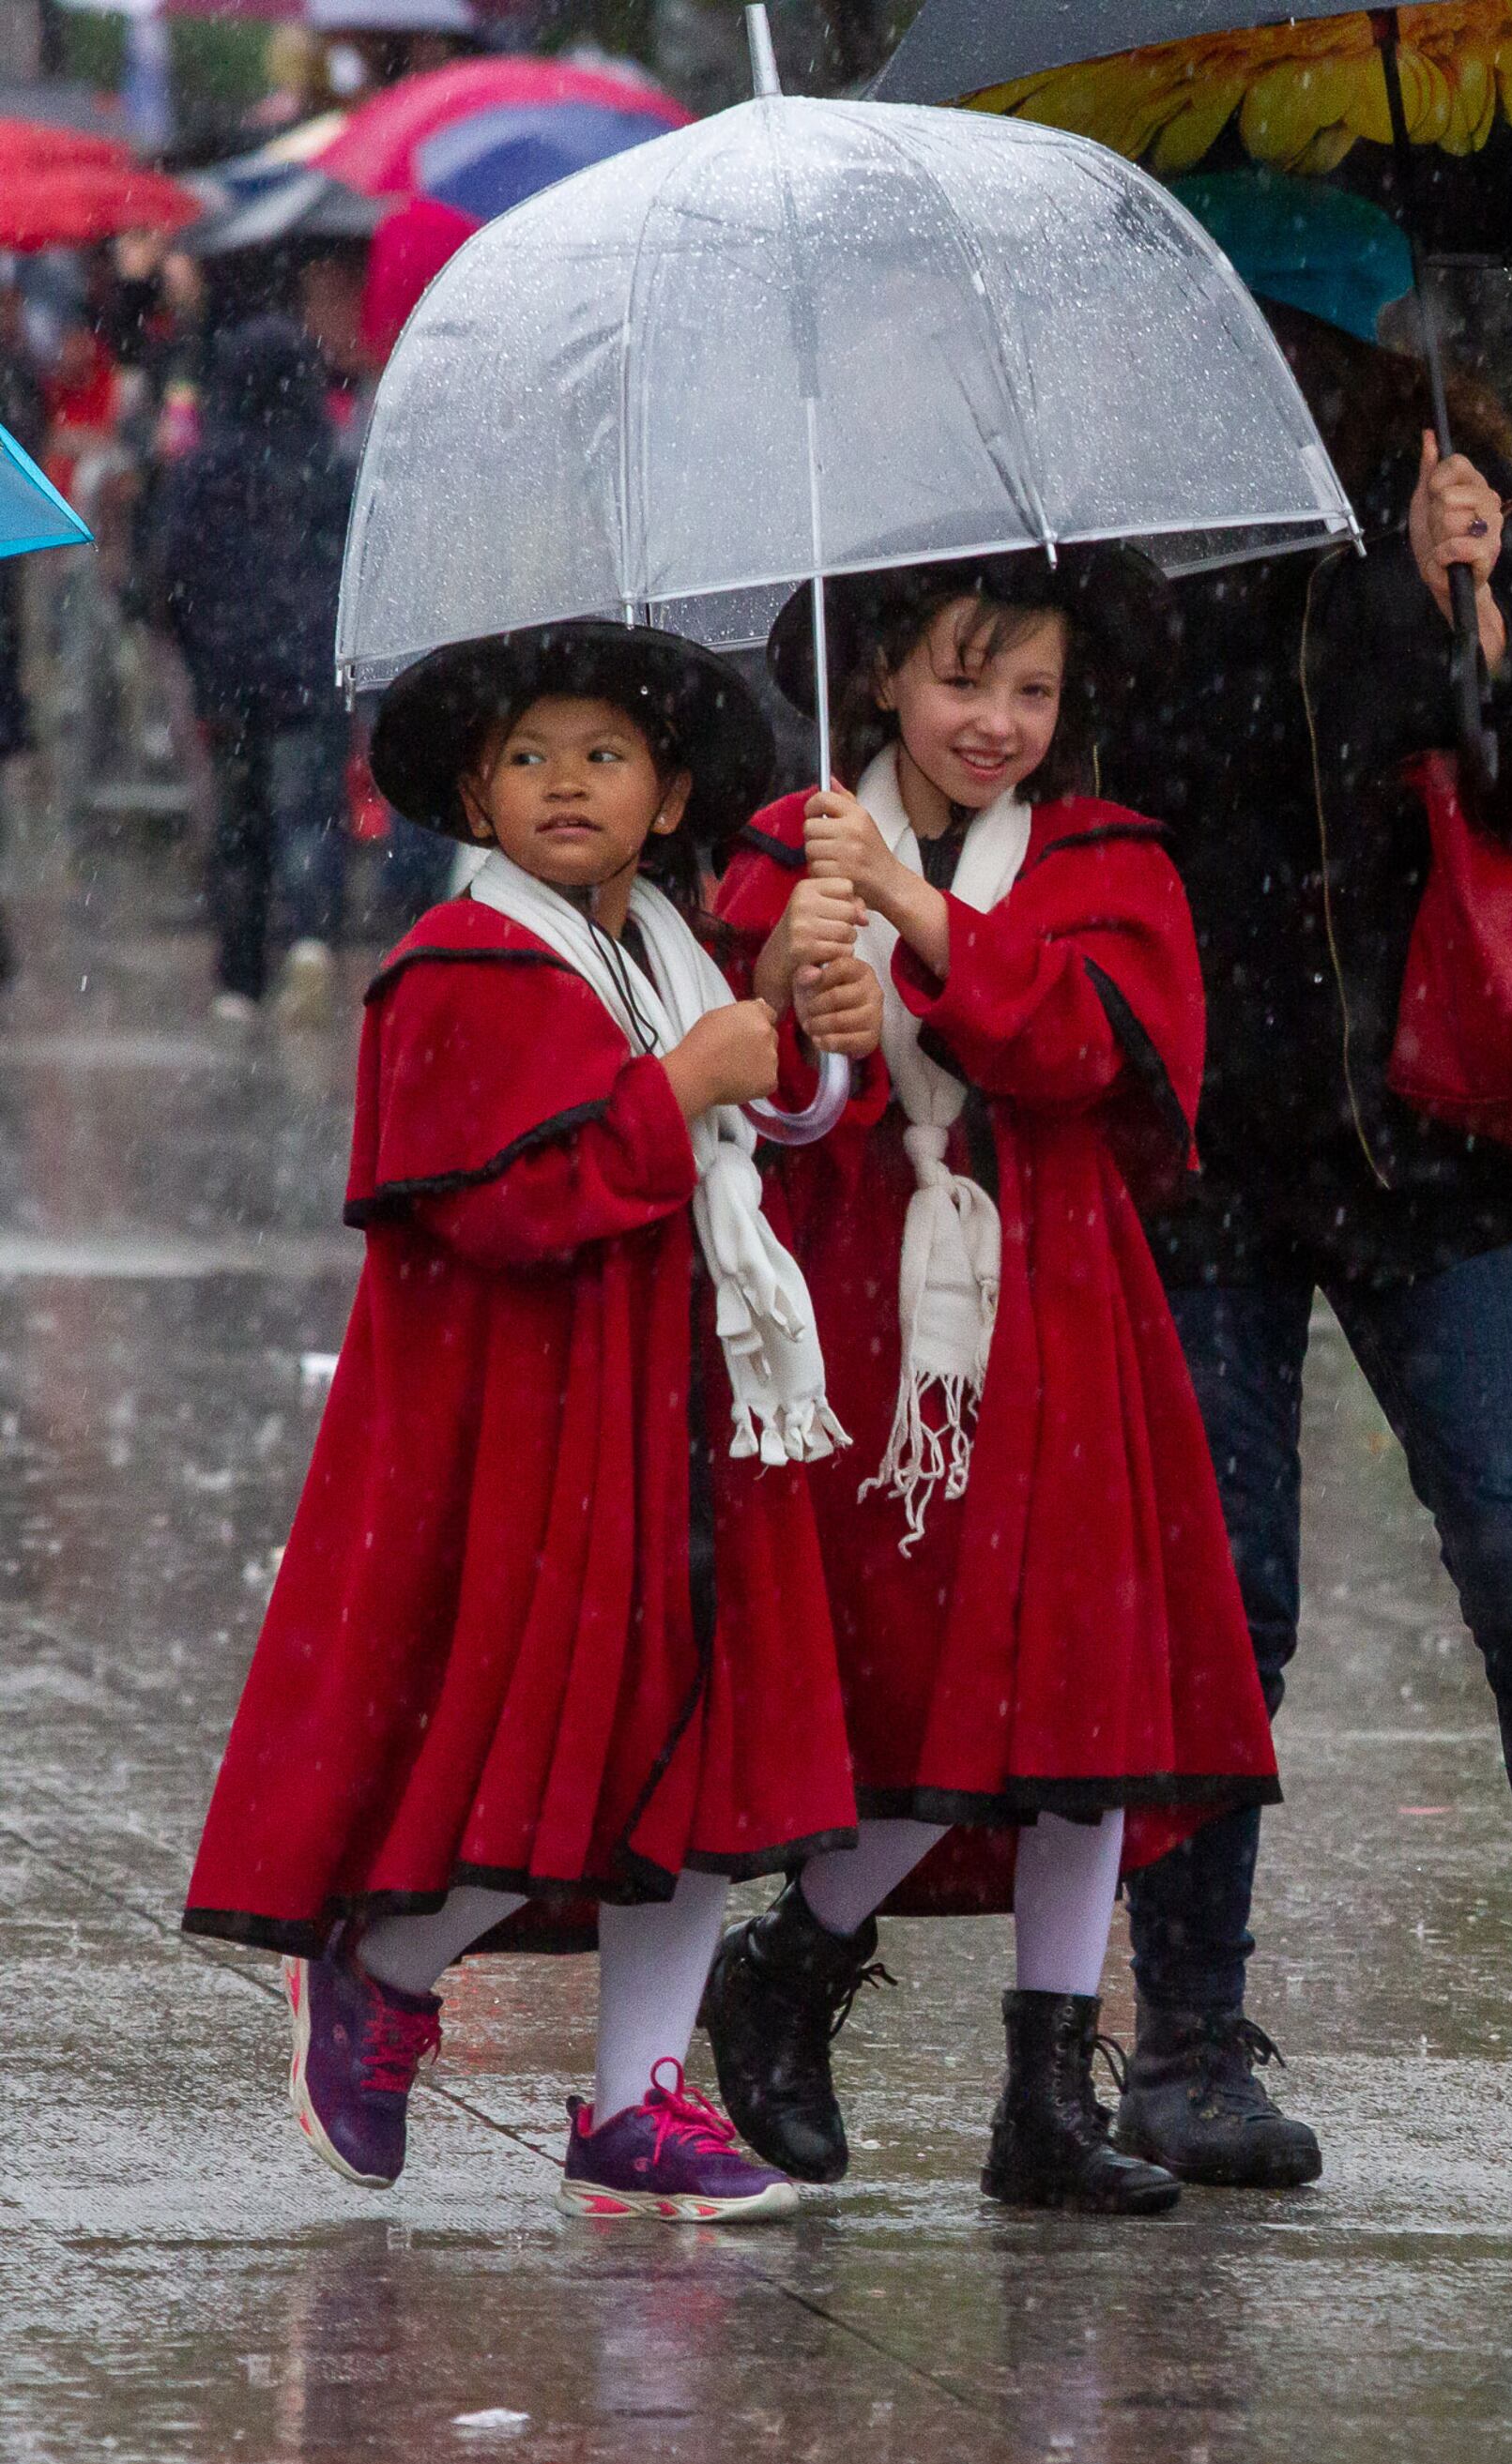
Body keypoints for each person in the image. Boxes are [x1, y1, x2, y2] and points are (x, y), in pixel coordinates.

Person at [1117, 190, 1512, 2198]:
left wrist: (1474, 614)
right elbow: (1128, 764)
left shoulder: (1476, 502)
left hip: (1456, 1143)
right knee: (1229, 1603)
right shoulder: (1123, 526)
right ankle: (1188, 2037)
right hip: (1211, 1143)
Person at [178, 621, 879, 2222]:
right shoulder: (459, 965)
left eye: (607, 755)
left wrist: (800, 1030)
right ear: (477, 804)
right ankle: (386, 1962)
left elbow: (767, 1123)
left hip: (700, 1406)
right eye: (529, 758)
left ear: (672, 789)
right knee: (559, 1737)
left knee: (710, 1750)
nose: (568, 784)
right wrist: (688, 1075)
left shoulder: (681, 954)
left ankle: (636, 2099)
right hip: (554, 1432)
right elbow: (513, 1196)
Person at [699, 551, 1278, 2219]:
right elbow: (756, 1079)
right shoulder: (782, 853)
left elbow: (1086, 1049)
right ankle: (793, 1962)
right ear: (881, 677)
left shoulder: (1106, 859)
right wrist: (799, 991)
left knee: (1079, 1696)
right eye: (965, 682)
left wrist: (907, 900)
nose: (1000, 724)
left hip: (1060, 1305)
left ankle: (1043, 2086)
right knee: (904, 1687)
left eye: (1033, 690)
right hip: (855, 1317)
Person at [152, 314, 352, 1022]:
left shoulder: (206, 467)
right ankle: (309, 936)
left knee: (242, 823)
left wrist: (199, 649)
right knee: (311, 812)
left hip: (233, 675)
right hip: (312, 667)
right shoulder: (330, 464)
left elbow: (172, 570)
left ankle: (239, 977)